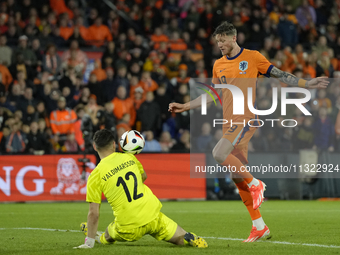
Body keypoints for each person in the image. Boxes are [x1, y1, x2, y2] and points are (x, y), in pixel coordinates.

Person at [169, 21, 329, 242]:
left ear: (233, 38)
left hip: (244, 119)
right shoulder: (218, 65)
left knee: (218, 153)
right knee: (237, 176)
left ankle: (256, 183)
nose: (220, 45)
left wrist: (306, 83)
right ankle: (259, 226)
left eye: (222, 41)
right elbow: (213, 95)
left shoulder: (253, 57)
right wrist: (186, 105)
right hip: (229, 123)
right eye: (217, 42)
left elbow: (279, 74)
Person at [74, 129, 207, 249]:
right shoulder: (129, 157)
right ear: (114, 144)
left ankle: (95, 237)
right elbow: (143, 176)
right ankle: (188, 237)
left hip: (128, 226)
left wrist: (88, 242)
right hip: (153, 215)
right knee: (179, 236)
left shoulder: (95, 175)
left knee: (109, 234)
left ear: (94, 147)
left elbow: (94, 213)